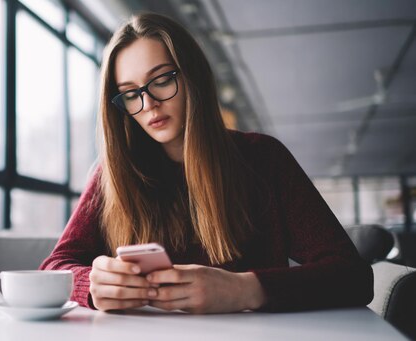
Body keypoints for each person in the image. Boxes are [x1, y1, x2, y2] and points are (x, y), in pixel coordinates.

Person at [40, 12, 373, 313]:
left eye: (162, 80)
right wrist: (91, 284)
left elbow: (353, 277)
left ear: (192, 77)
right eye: (130, 93)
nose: (149, 104)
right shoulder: (112, 175)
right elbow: (54, 266)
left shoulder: (263, 158)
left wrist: (246, 289)